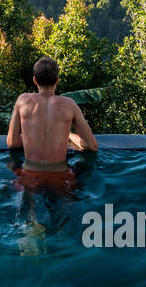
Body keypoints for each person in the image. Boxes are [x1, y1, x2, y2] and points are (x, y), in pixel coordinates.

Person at [6, 56, 98, 193]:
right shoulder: (70, 105)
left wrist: (32, 138)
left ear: (35, 80)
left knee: (25, 205)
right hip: (61, 177)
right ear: (57, 80)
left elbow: (12, 143)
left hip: (30, 176)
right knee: (65, 209)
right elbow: (92, 146)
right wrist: (69, 136)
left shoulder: (22, 100)